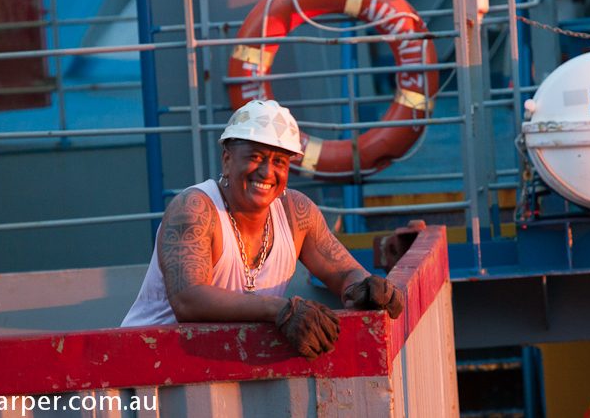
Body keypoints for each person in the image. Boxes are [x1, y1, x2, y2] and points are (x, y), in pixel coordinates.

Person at [122, 99, 402, 359]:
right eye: (255, 157)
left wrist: (365, 287)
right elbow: (188, 300)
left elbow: (343, 272)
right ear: (227, 160)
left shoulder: (297, 213)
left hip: (218, 370)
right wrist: (279, 309)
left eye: (279, 161)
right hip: (145, 366)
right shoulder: (195, 208)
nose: (268, 172)